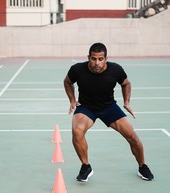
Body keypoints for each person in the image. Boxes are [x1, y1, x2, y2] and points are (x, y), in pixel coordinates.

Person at [63, 42, 154, 182]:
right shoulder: (77, 69)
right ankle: (86, 166)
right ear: (88, 57)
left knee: (133, 137)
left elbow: (126, 83)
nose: (97, 63)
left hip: (109, 107)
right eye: (93, 59)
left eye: (100, 59)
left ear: (106, 58)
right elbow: (68, 82)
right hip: (86, 107)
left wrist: (127, 102)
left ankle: (143, 166)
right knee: (77, 130)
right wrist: (72, 100)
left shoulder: (115, 70)